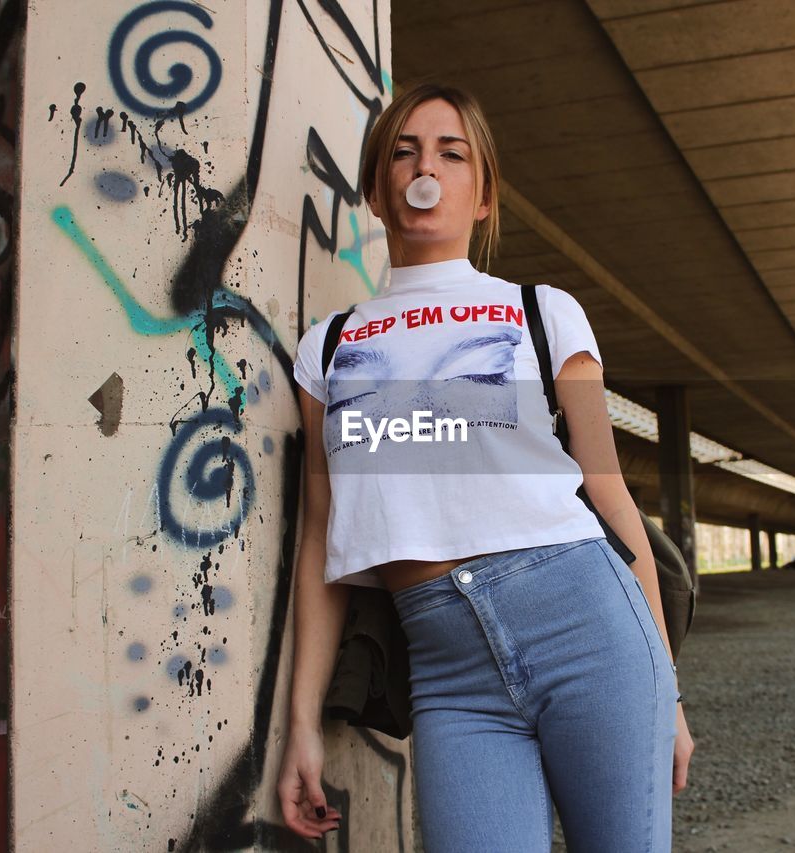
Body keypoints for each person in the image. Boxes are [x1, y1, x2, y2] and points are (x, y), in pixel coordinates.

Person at [277, 83, 694, 850]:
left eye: (449, 152)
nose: (422, 168)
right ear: (376, 188)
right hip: (448, 673)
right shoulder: (328, 348)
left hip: (587, 626)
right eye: (401, 153)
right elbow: (319, 540)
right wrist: (300, 725)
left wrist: (667, 690)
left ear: (483, 193)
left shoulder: (543, 311)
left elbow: (612, 500)